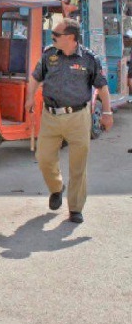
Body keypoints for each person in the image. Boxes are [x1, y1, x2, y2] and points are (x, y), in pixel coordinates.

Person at [24, 19, 113, 224]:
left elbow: (102, 87)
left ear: (71, 38)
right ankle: (56, 188)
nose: (52, 37)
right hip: (51, 116)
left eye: (56, 34)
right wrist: (30, 97)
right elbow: (36, 77)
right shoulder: (49, 55)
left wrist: (107, 113)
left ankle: (75, 208)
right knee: (44, 157)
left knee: (78, 165)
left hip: (78, 117)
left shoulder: (89, 59)